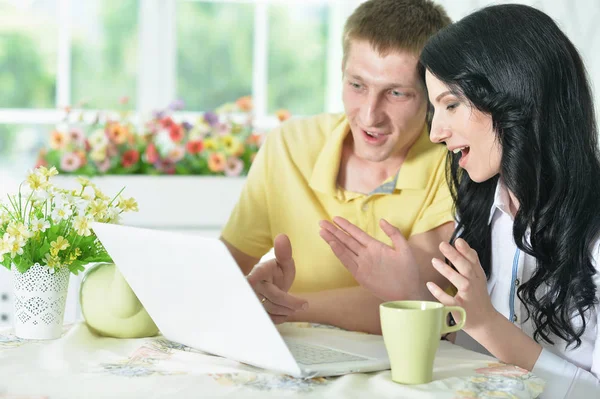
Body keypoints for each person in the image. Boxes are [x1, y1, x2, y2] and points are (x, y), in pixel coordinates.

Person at [319, 4, 600, 397]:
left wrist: (483, 321)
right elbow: (470, 358)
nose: (435, 133)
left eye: (451, 105)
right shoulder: (481, 213)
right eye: (435, 109)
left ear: (514, 94)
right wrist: (410, 294)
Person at [220, 0, 454, 334]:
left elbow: (410, 297)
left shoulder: (451, 162)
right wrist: (250, 291)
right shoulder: (288, 145)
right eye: (357, 85)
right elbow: (222, 268)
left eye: (397, 93)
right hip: (297, 358)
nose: (370, 114)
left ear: (433, 93)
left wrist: (286, 304)